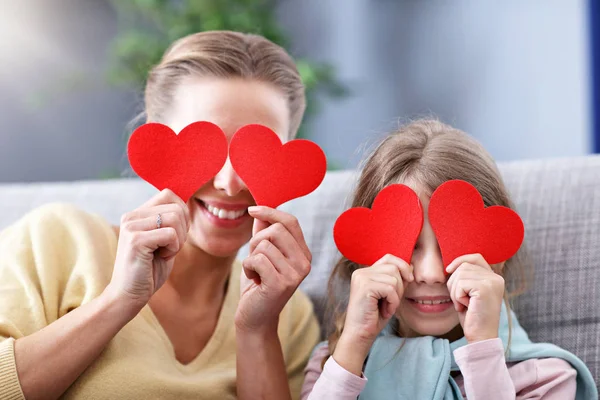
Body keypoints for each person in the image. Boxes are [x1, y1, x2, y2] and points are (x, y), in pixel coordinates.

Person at [0, 30, 320, 400]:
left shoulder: (289, 313)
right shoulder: (56, 239)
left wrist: (257, 332)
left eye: (257, 154)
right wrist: (118, 300)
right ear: (157, 146)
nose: (230, 184)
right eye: (208, 145)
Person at [301, 119, 597, 399]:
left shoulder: (545, 378)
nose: (431, 273)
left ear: (498, 253)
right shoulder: (336, 364)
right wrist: (353, 344)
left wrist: (483, 352)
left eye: (451, 243)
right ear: (364, 256)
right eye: (408, 243)